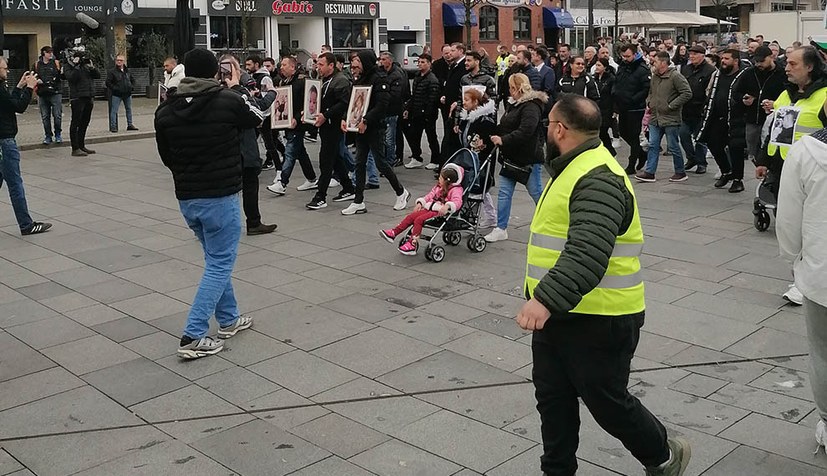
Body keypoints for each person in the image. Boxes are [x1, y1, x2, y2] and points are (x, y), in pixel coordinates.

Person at [517, 93, 691, 476]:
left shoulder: (598, 177)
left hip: (601, 317)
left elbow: (588, 251)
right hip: (562, 314)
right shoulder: (571, 167)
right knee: (553, 399)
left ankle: (663, 455)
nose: (546, 130)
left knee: (607, 402)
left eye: (549, 124)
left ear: (559, 129)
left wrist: (543, 299)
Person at [155, 48, 265, 359]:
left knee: (215, 259)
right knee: (219, 263)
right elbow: (258, 117)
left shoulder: (166, 109)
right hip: (221, 195)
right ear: (216, 72)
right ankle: (194, 333)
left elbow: (166, 158)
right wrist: (237, 87)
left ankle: (229, 319)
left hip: (188, 198)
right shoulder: (227, 99)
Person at [776, 116, 827, 454]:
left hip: (821, 272)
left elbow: (789, 216)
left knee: (823, 352)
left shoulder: (808, 151)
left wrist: (793, 257)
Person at [340, 49, 409, 216]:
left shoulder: (379, 79)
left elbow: (382, 105)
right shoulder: (360, 79)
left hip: (375, 126)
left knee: (381, 163)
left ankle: (401, 192)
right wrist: (346, 118)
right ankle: (358, 201)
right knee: (359, 162)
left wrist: (366, 120)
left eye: (357, 63)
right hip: (360, 127)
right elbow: (354, 101)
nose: (354, 67)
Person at [218, 55, 278, 236]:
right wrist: (272, 93)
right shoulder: (237, 92)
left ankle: (220, 226)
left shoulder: (215, 91)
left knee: (225, 191)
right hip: (244, 147)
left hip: (225, 150)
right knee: (250, 187)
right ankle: (253, 222)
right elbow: (258, 111)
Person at [486, 73, 547, 243]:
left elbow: (526, 131)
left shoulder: (531, 106)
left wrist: (503, 140)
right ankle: (501, 228)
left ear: (519, 87)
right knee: (504, 193)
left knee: (536, 192)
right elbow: (506, 126)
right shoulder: (515, 104)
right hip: (511, 157)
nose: (510, 92)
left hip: (528, 158)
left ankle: (551, 221)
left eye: (512, 88)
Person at [0, 60, 52, 236]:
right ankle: (26, 225)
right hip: (5, 142)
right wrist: (30, 88)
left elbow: (10, 103)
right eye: (4, 68)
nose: (7, 70)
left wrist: (19, 86)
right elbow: (19, 107)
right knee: (15, 184)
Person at [306, 52, 357, 210]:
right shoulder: (325, 79)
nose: (318, 68)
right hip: (325, 125)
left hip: (334, 125)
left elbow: (343, 104)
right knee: (335, 158)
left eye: (321, 65)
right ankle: (349, 188)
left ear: (331, 65)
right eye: (318, 64)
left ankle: (321, 195)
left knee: (326, 160)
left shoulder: (340, 80)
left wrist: (325, 114)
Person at [380, 165, 463, 255]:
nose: (438, 179)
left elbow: (457, 201)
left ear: (447, 181)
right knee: (411, 217)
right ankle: (394, 232)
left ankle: (413, 243)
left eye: (440, 178)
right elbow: (429, 196)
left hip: (439, 212)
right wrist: (421, 202)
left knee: (419, 220)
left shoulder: (456, 190)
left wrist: (448, 206)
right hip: (430, 208)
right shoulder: (438, 187)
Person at [635, 51, 692, 183]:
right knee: (653, 145)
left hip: (670, 117)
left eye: (654, 61)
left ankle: (680, 171)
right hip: (655, 117)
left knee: (673, 146)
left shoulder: (675, 76)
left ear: (663, 63)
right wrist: (649, 102)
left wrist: (671, 105)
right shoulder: (655, 77)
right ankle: (650, 172)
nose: (652, 63)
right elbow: (651, 92)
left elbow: (687, 93)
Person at [698, 49, 748, 193]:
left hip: (736, 118)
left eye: (727, 59)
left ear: (736, 61)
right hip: (717, 116)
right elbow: (712, 91)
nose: (723, 61)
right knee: (713, 144)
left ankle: (738, 180)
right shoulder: (719, 73)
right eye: (723, 59)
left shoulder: (744, 74)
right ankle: (726, 171)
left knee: (735, 148)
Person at [266, 56, 318, 195]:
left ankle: (282, 182)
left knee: (290, 152)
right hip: (289, 123)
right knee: (300, 152)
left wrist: (296, 117)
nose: (281, 67)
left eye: (284, 65)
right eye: (281, 65)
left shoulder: (301, 81)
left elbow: (306, 103)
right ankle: (312, 179)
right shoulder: (284, 81)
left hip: (298, 123)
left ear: (292, 67)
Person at [735, 45, 785, 164]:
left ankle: (769, 175)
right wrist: (743, 99)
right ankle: (762, 173)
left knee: (770, 151)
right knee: (753, 152)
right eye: (756, 61)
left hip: (774, 120)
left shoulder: (782, 74)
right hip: (753, 119)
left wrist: (775, 104)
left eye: (762, 61)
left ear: (771, 57)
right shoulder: (749, 73)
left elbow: (790, 96)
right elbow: (735, 92)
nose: (758, 64)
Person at [455, 88, 497, 228]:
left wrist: (483, 143)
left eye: (467, 100)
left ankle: (479, 217)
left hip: (480, 159)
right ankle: (488, 216)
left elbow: (489, 140)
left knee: (479, 190)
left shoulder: (484, 121)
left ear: (476, 102)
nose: (464, 102)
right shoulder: (467, 117)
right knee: (477, 190)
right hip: (469, 158)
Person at [614, 43, 651, 174]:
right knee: (623, 132)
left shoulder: (642, 68)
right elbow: (617, 82)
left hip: (635, 107)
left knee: (634, 136)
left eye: (628, 56)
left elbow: (646, 88)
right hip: (623, 106)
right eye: (623, 56)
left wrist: (634, 99)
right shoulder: (622, 67)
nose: (625, 58)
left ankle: (631, 164)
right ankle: (641, 153)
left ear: (635, 54)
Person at [680, 45, 716, 175]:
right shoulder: (686, 69)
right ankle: (691, 158)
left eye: (695, 54)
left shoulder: (710, 71)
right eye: (690, 54)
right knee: (683, 134)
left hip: (701, 110)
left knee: (700, 138)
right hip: (686, 109)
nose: (692, 56)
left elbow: (711, 91)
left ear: (702, 55)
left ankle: (701, 163)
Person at [404, 54, 441, 169]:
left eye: (423, 62)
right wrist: (408, 109)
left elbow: (432, 99)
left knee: (431, 137)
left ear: (429, 64)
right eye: (419, 62)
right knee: (414, 136)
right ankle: (416, 157)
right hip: (416, 112)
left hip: (427, 114)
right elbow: (414, 95)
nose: (420, 64)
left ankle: (435, 160)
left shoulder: (432, 79)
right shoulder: (417, 77)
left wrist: (428, 114)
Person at [64, 49, 101, 157]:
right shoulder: (68, 65)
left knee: (85, 122)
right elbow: (71, 78)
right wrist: (76, 65)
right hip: (77, 97)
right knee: (76, 122)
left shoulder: (86, 65)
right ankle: (75, 148)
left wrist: (92, 67)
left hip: (88, 96)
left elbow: (97, 75)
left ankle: (81, 145)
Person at [33, 46, 63, 145]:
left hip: (55, 92)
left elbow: (60, 77)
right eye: (48, 52)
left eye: (51, 52)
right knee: (45, 116)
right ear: (43, 53)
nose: (50, 54)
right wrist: (37, 81)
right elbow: (33, 75)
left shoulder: (56, 63)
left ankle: (58, 134)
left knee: (57, 115)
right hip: (42, 93)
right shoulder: (37, 64)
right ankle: (48, 135)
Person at [105, 55, 138, 133]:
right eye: (118, 60)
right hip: (117, 94)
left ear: (124, 61)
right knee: (114, 110)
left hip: (127, 93)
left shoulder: (127, 71)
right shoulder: (112, 72)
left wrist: (132, 87)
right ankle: (113, 126)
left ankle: (130, 124)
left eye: (121, 60)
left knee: (129, 109)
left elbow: (133, 80)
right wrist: (115, 88)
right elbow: (108, 82)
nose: (119, 62)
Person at [594, 58, 617, 156]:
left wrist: (615, 110)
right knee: (600, 133)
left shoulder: (611, 79)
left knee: (603, 132)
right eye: (596, 65)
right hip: (596, 109)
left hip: (607, 109)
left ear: (605, 67)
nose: (597, 67)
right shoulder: (593, 78)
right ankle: (607, 152)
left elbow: (615, 95)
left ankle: (611, 152)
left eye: (599, 65)